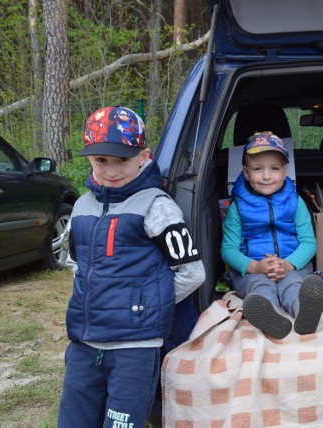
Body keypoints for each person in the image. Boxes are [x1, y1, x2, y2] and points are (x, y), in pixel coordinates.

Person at [58, 106, 206, 427]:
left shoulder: (156, 206)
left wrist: (146, 307)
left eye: (122, 159)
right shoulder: (82, 207)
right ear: (89, 160)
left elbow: (192, 272)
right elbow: (75, 263)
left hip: (134, 349)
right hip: (84, 345)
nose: (111, 170)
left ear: (144, 156)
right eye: (101, 160)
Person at [221, 131, 323, 340]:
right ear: (245, 172)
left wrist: (287, 264)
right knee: (259, 286)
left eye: (275, 169)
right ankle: (271, 316)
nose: (267, 176)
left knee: (293, 285)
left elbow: (309, 243)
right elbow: (228, 250)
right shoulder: (238, 207)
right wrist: (255, 266)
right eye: (258, 169)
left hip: (292, 266)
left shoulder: (295, 202)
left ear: (285, 170)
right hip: (252, 268)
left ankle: (304, 313)